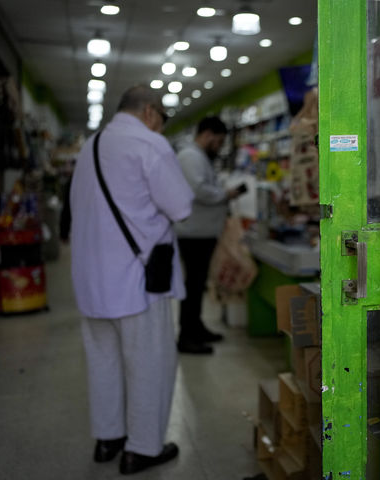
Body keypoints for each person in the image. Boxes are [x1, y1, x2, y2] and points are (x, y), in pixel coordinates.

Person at [69, 85, 194, 475]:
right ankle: (142, 448)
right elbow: (182, 206)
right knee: (148, 363)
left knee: (103, 360)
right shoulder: (149, 144)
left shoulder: (90, 146)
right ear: (151, 112)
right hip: (137, 279)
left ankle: (109, 439)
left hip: (92, 279)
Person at [174, 116, 244, 354]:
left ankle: (196, 327)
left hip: (201, 232)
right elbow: (199, 190)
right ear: (207, 135)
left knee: (198, 284)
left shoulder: (197, 156)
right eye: (219, 141)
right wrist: (226, 195)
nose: (220, 146)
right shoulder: (190, 157)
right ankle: (186, 336)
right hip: (193, 234)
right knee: (193, 285)